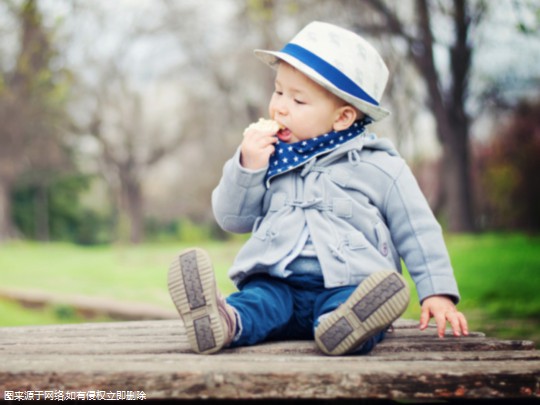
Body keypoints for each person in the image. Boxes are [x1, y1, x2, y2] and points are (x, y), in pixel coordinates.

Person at [168, 21, 469, 356]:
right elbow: (230, 218)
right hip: (276, 282)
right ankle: (223, 322)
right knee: (257, 303)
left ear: (342, 118)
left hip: (349, 284)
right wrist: (247, 166)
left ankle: (344, 327)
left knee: (353, 304)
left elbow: (418, 230)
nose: (280, 106)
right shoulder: (266, 156)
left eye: (298, 100)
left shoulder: (379, 166)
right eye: (279, 91)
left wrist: (437, 293)